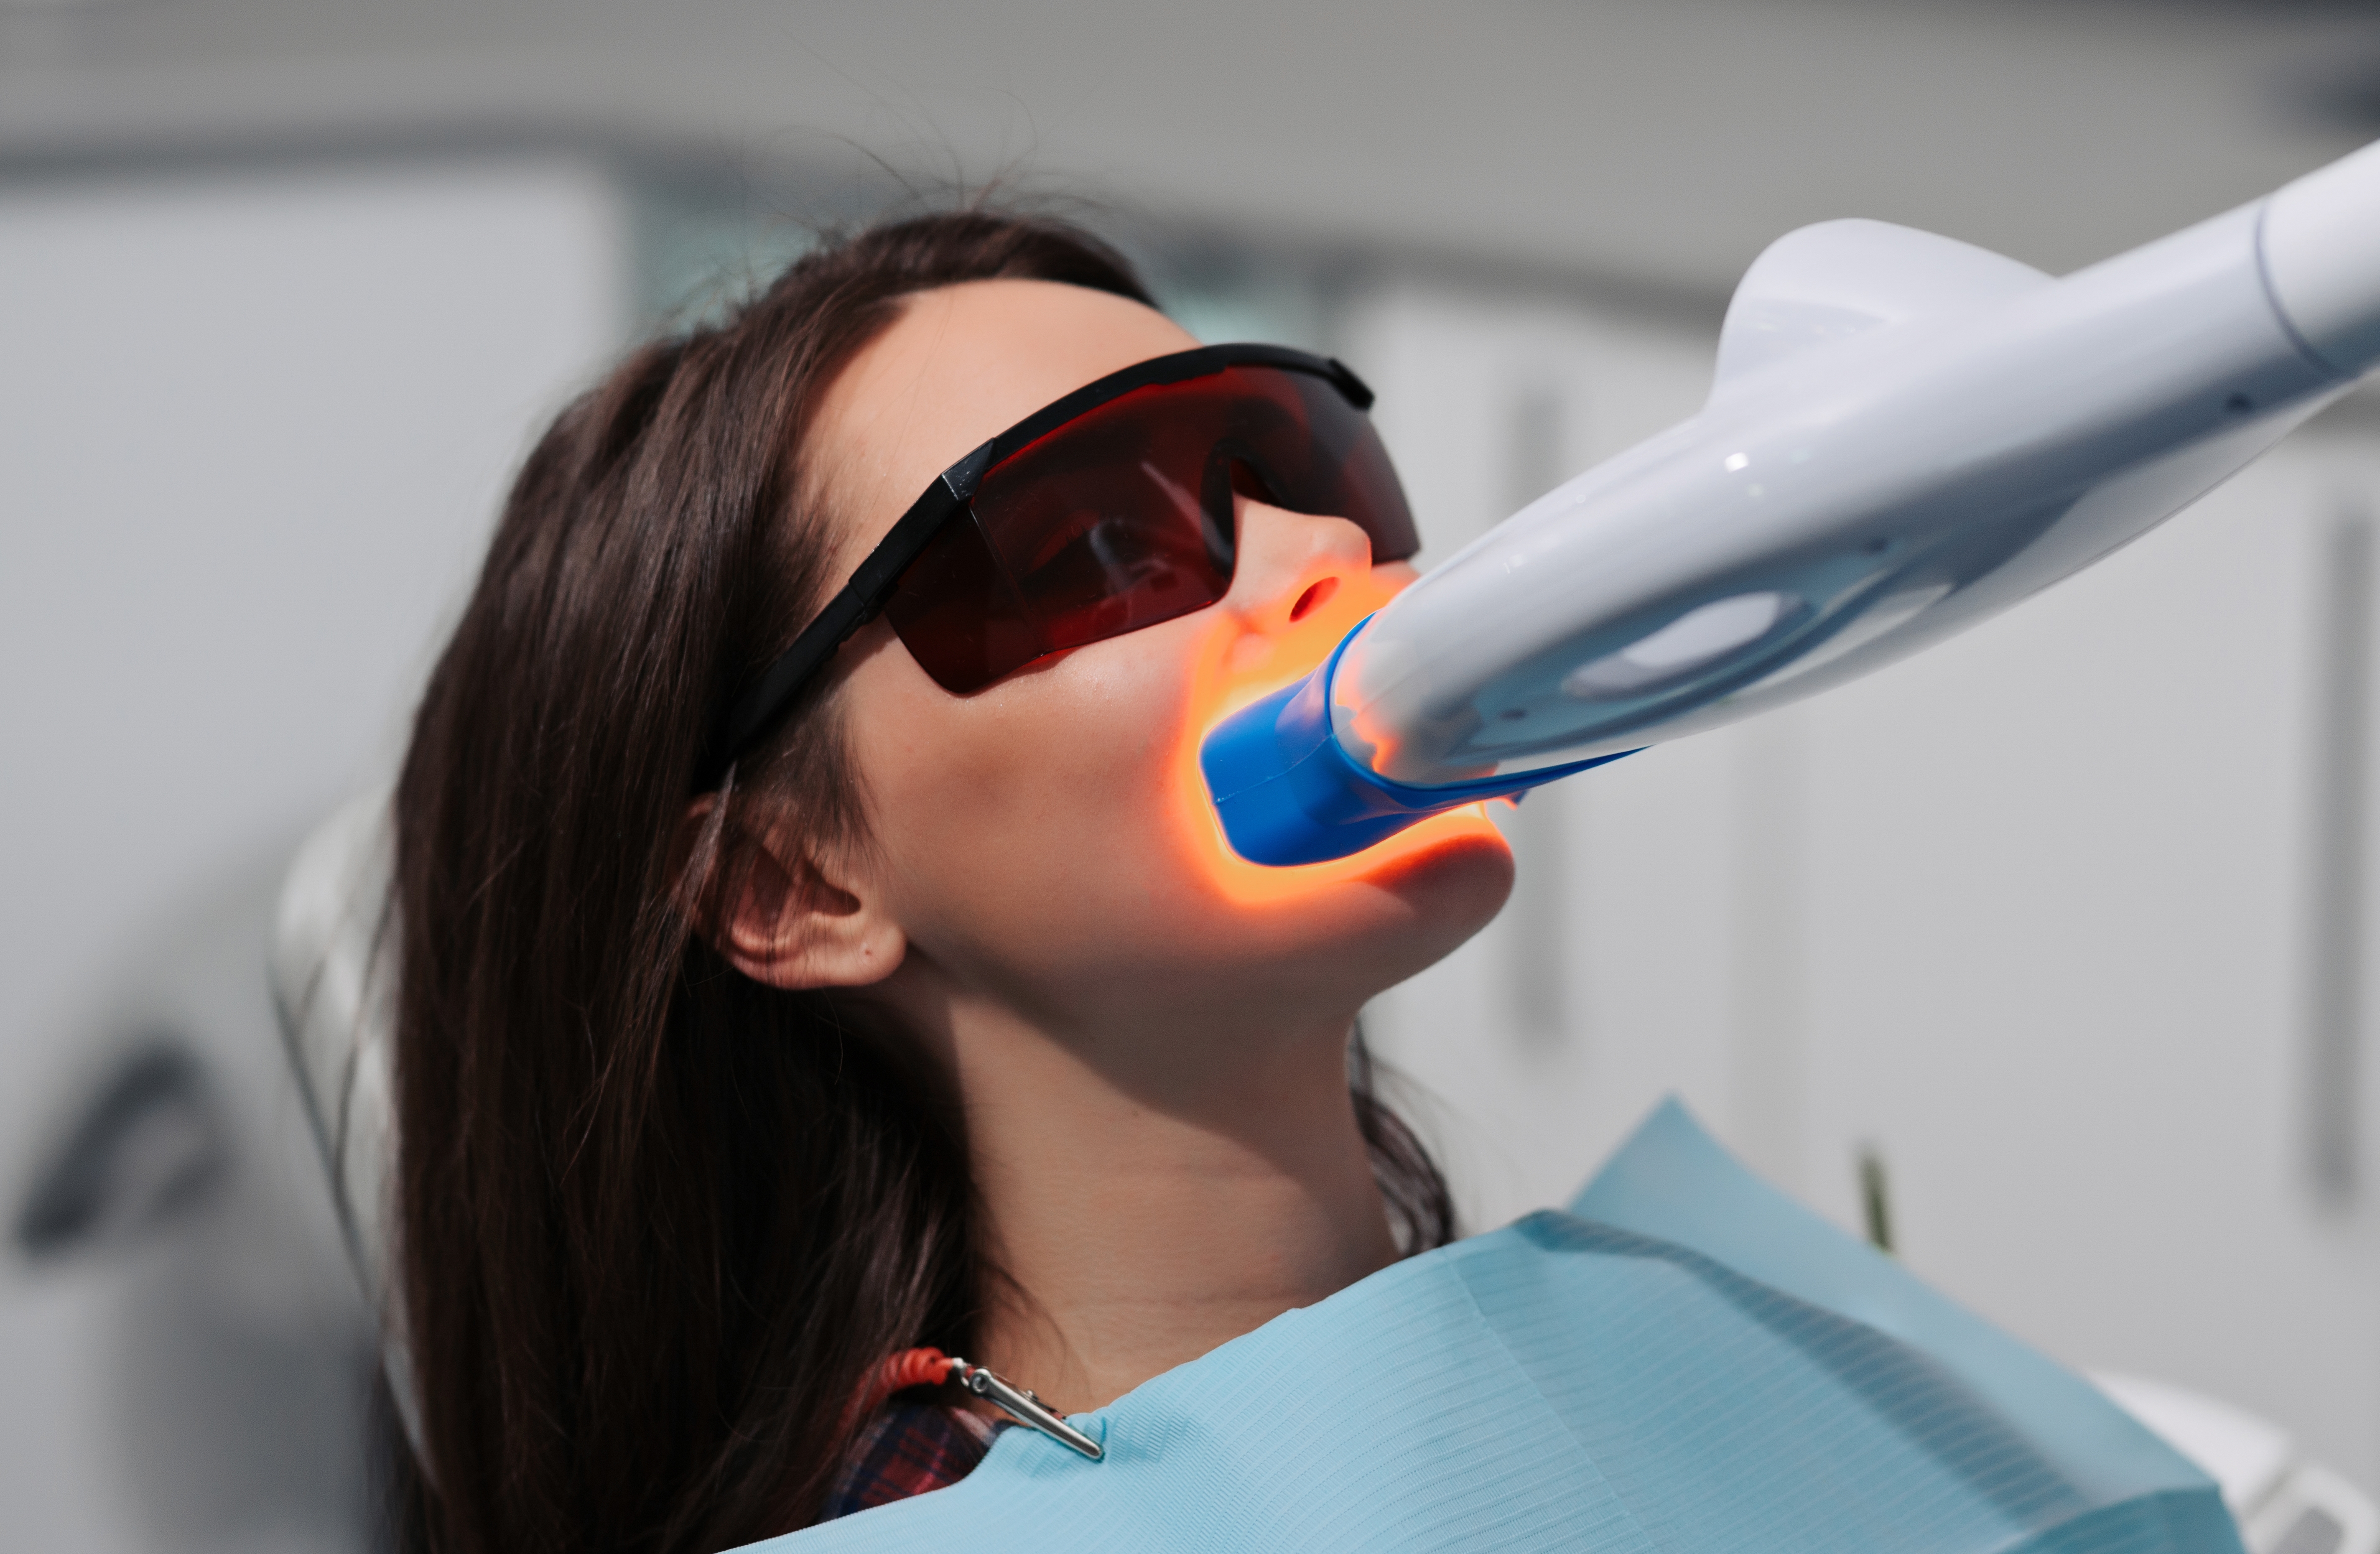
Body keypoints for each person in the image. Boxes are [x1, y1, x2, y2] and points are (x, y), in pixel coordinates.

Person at [386, 207, 2230, 1554]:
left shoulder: (1759, 1371)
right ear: (794, 885)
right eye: (1096, 543)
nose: (1325, 544)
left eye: (1306, 462)